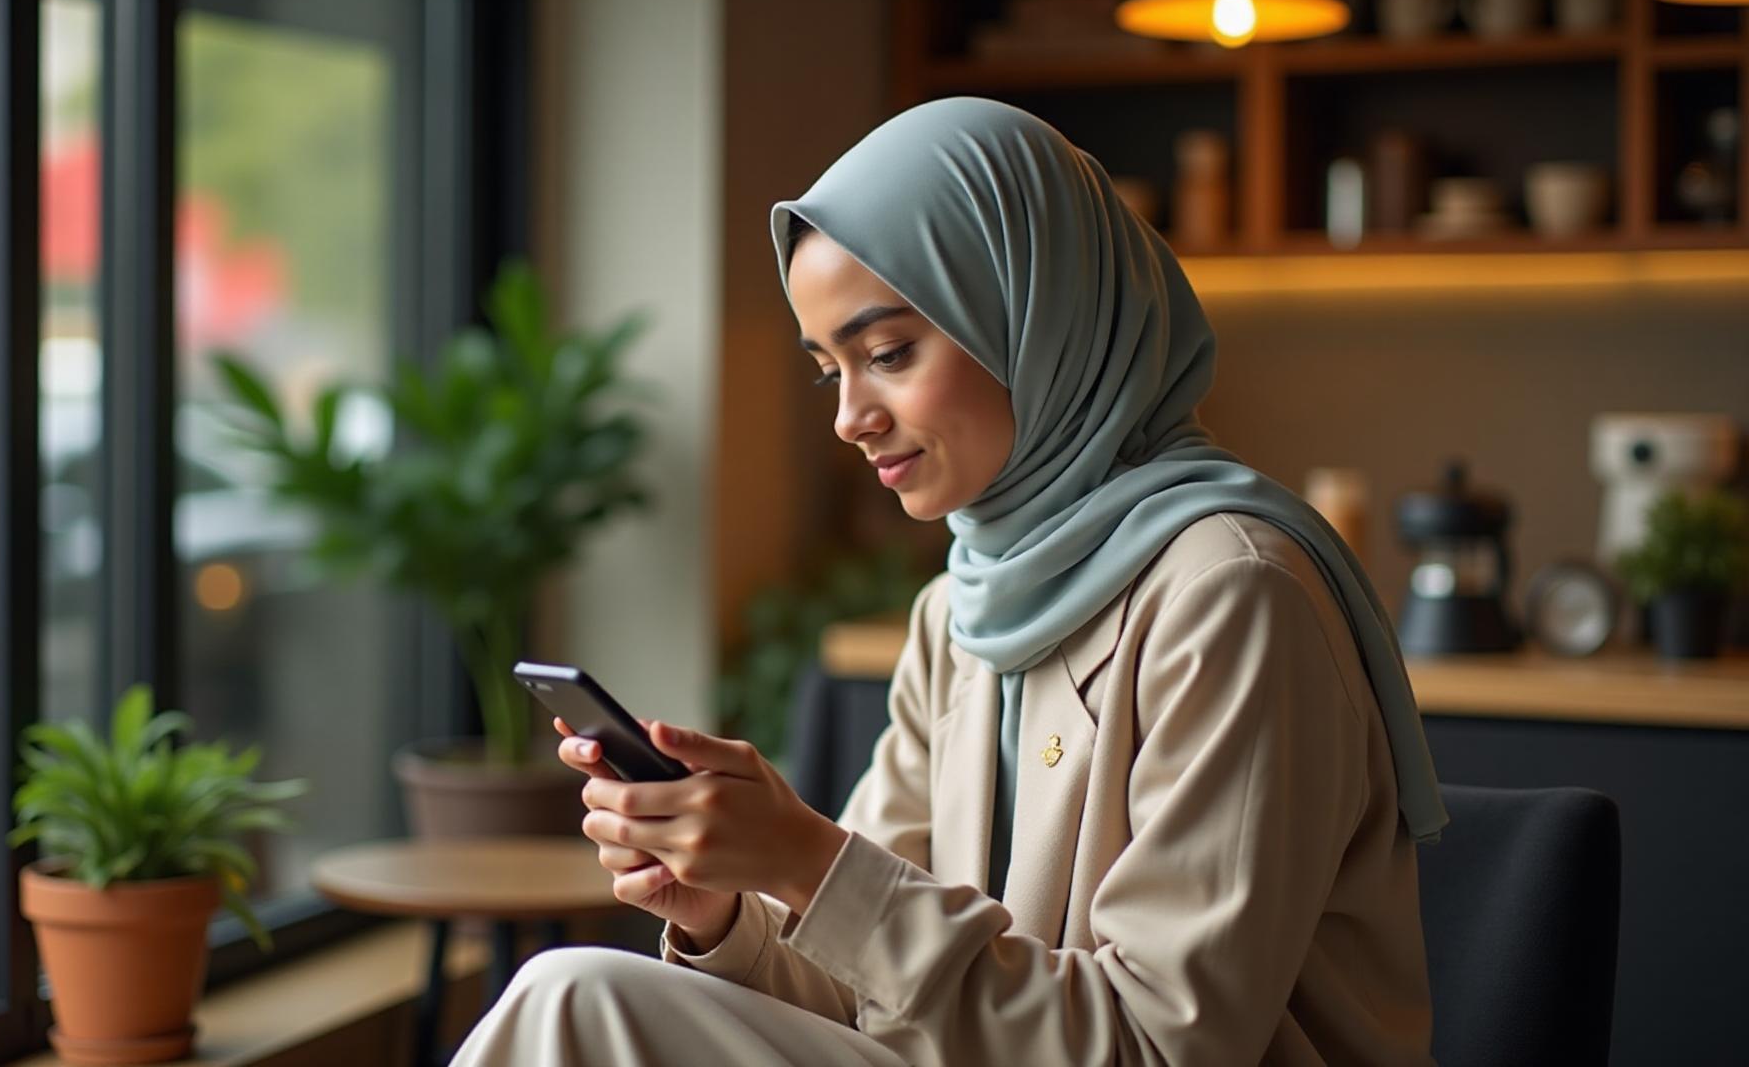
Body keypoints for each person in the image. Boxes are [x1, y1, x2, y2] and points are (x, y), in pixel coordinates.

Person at [453, 96, 1445, 1067]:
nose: (849, 417)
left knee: (572, 997)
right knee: (580, 1002)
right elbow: (867, 993)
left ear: (1036, 317)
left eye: (887, 353)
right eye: (830, 369)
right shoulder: (962, 614)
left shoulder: (1234, 595)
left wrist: (805, 859)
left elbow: (1156, 1047)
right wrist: (723, 914)